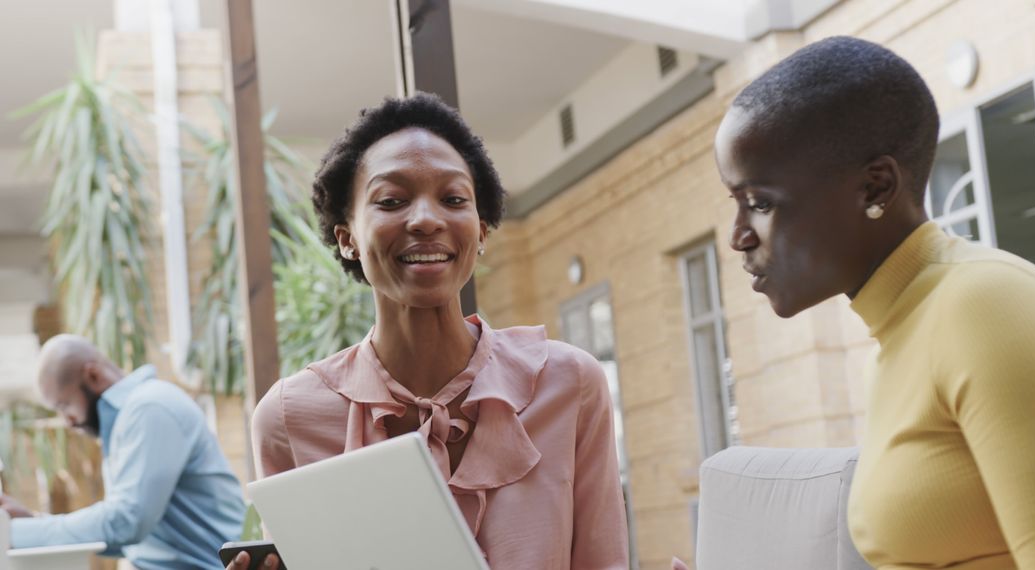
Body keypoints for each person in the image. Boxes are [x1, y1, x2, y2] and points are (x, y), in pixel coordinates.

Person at [712, 36, 1035, 567]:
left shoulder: (986, 306)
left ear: (874, 188)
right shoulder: (901, 335)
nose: (739, 237)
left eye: (760, 203)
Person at [225, 93, 628, 570]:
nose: (426, 219)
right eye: (391, 200)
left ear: (480, 232)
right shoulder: (288, 418)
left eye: (453, 199)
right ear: (347, 237)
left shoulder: (570, 384)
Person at [0, 334, 247, 569]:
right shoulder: (128, 420)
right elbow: (134, 538)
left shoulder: (150, 407)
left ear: (93, 375)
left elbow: (126, 522)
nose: (69, 421)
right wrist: (35, 521)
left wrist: (12, 533)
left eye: (65, 405)